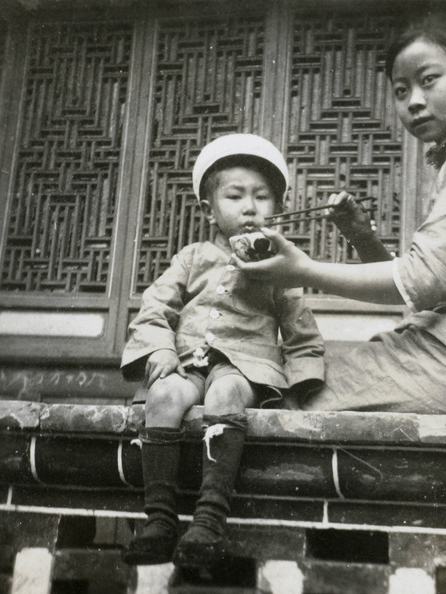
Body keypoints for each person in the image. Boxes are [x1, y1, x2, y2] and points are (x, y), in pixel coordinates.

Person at [233, 12, 446, 417]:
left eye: (429, 80)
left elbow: (422, 282)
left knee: (296, 402)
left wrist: (302, 270)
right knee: (303, 383)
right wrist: (362, 238)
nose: (414, 100)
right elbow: (422, 292)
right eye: (401, 90)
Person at [120, 133, 325, 567]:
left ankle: (209, 520)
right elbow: (155, 308)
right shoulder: (191, 258)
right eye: (235, 196)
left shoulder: (279, 268)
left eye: (262, 197)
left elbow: (301, 332)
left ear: (278, 208)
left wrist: (303, 389)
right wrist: (159, 349)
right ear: (209, 209)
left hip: (246, 368)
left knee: (225, 393)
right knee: (163, 396)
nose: (250, 207)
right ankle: (159, 519)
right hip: (187, 361)